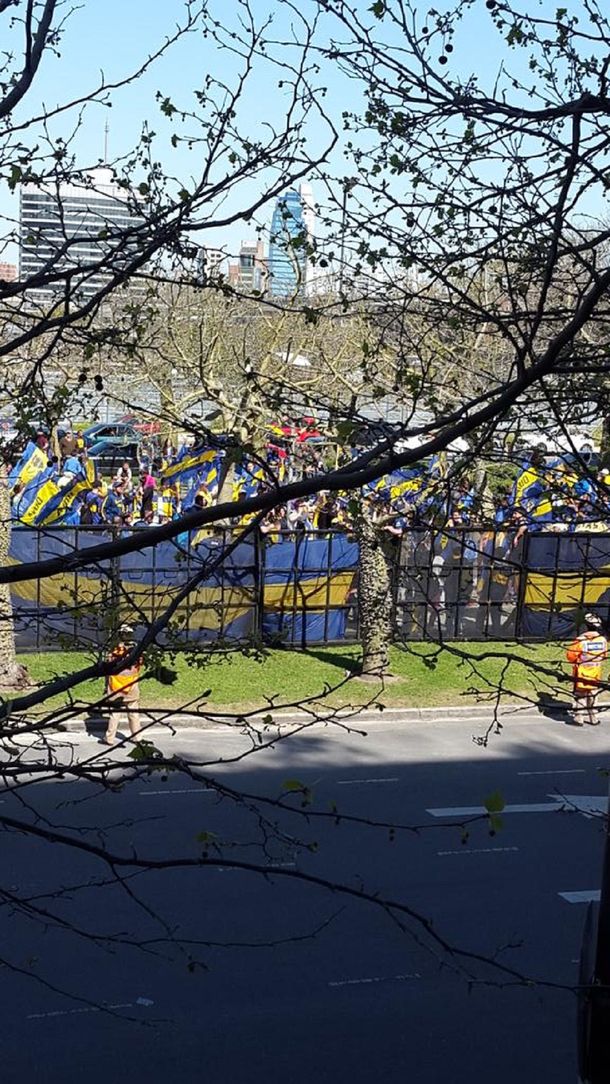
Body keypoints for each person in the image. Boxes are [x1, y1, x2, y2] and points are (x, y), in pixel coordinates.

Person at [566, 613, 608, 726]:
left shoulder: (580, 640)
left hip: (581, 672)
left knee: (580, 694)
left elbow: (570, 656)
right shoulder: (602, 640)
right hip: (595, 673)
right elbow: (603, 656)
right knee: (593, 693)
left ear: (585, 625)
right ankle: (593, 718)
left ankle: (579, 718)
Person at [104, 623, 142, 745]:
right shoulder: (136, 650)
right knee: (134, 713)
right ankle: (137, 737)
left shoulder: (113, 650)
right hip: (131, 685)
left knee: (115, 714)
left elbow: (107, 668)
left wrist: (106, 686)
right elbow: (139, 665)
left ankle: (110, 738)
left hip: (116, 686)